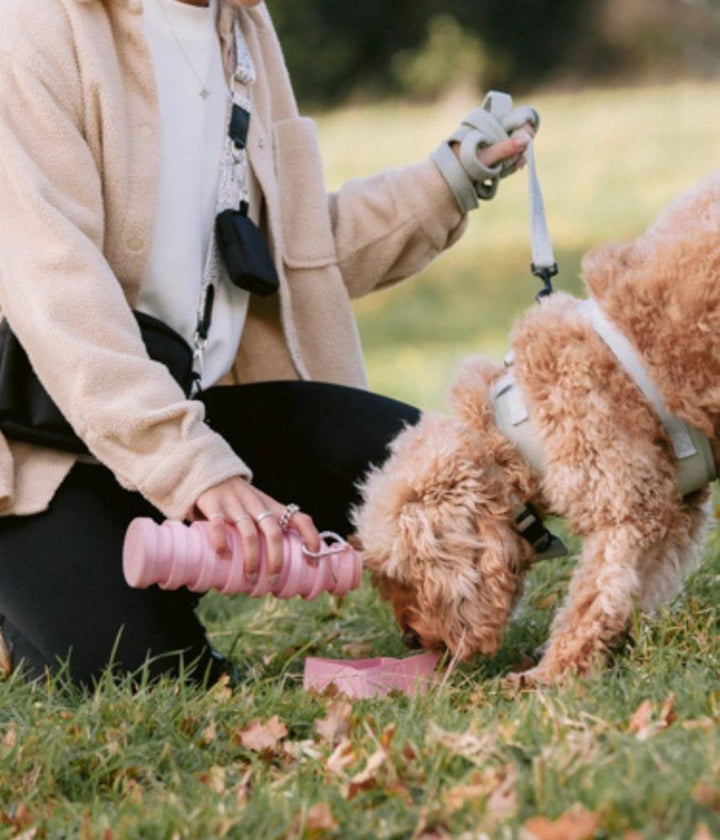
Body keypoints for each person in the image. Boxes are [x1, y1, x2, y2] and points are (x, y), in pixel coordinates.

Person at [0, 0, 535, 686]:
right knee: (154, 678)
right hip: (36, 447)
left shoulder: (242, 27)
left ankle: (154, 564)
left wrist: (448, 181)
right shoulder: (35, 26)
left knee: (444, 480)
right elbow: (58, 296)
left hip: (191, 415)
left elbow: (283, 249)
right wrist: (197, 471)